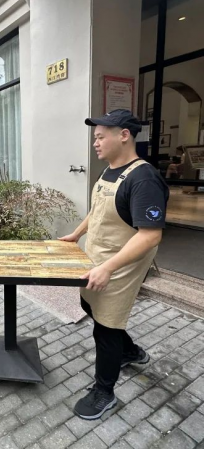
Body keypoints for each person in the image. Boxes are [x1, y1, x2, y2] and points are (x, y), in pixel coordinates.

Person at [59, 109, 169, 420]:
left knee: (106, 326)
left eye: (100, 136)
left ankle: (104, 392)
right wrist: (76, 234)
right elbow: (97, 210)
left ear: (124, 135)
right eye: (94, 137)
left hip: (121, 265)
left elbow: (150, 235)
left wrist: (108, 268)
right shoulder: (108, 171)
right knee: (89, 306)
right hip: (96, 257)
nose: (95, 142)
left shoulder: (143, 178)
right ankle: (131, 352)